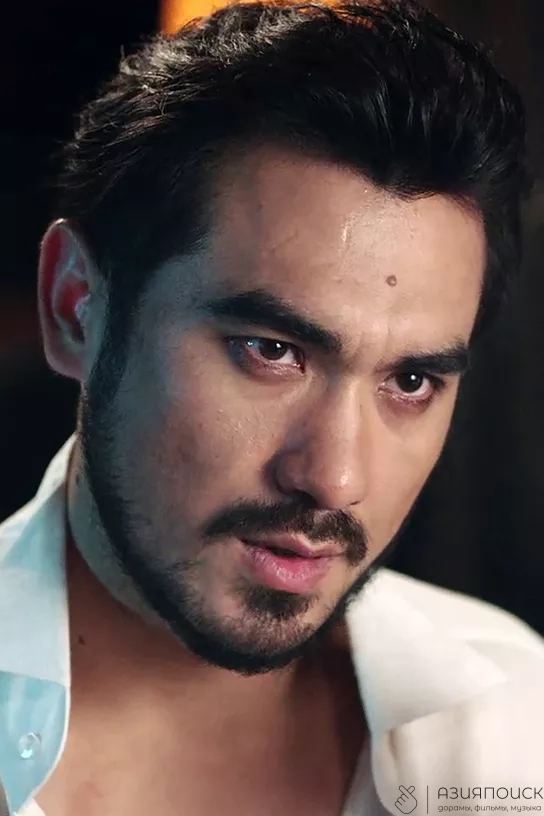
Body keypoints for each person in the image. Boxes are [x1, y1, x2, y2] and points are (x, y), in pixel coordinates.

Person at [1, 1, 543, 814]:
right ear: (76, 306)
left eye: (409, 382)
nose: (336, 478)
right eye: (271, 350)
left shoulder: (518, 717)